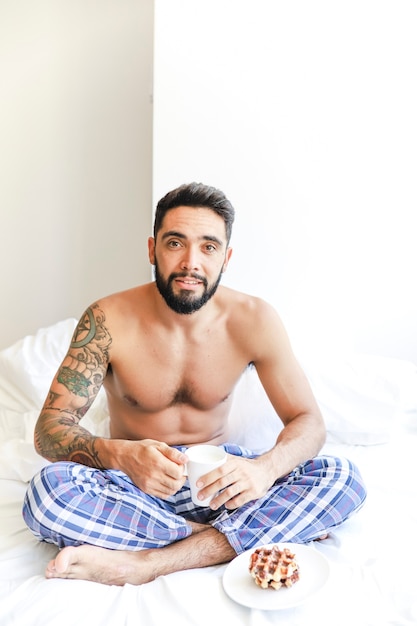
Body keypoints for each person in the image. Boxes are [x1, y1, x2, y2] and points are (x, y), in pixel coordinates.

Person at [23, 182, 366, 586]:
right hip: (132, 489)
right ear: (152, 250)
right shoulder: (107, 320)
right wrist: (120, 455)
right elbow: (49, 429)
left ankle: (148, 563)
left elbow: (308, 421)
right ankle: (241, 533)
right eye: (175, 244)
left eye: (208, 247)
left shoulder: (254, 320)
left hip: (222, 486)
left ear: (226, 257)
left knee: (343, 478)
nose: (191, 263)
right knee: (46, 492)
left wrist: (263, 470)